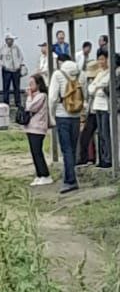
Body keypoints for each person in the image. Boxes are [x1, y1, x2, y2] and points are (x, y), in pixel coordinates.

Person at [48, 58, 84, 194]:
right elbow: (83, 95)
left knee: (66, 149)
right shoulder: (82, 75)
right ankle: (70, 178)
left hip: (62, 115)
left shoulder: (58, 75)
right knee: (73, 149)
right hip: (76, 115)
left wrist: (51, 117)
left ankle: (70, 181)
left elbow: (52, 98)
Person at [23, 74, 52, 187]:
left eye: (32, 84)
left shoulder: (42, 96)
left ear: (38, 84)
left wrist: (29, 96)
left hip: (38, 128)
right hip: (31, 128)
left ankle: (45, 175)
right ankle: (39, 175)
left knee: (38, 152)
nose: (30, 86)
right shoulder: (34, 95)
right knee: (34, 153)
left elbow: (30, 107)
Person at [88, 49, 113, 170]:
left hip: (105, 106)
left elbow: (104, 88)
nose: (100, 62)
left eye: (102, 59)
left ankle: (109, 158)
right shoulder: (99, 73)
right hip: (96, 105)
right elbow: (90, 90)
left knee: (106, 133)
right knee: (100, 133)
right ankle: (102, 157)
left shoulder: (110, 73)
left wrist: (97, 86)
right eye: (99, 59)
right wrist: (98, 86)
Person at [0, 33, 26, 109]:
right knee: (6, 87)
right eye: (10, 40)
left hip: (16, 70)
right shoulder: (2, 48)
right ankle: (6, 103)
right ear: (6, 40)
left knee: (17, 87)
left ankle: (18, 103)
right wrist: (3, 65)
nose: (12, 41)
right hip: (7, 70)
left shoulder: (16, 47)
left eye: (13, 40)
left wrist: (20, 64)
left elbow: (21, 57)